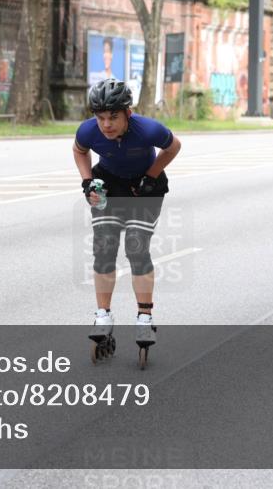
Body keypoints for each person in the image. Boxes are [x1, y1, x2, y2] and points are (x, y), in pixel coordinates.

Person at [73, 79, 182, 363]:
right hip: (108, 184)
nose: (106, 124)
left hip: (146, 186)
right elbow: (79, 150)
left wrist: (152, 174)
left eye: (113, 117)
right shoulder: (88, 130)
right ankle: (102, 316)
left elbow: (174, 147)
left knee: (136, 247)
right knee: (104, 247)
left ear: (127, 113)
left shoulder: (148, 129)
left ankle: (144, 318)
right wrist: (87, 182)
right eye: (100, 118)